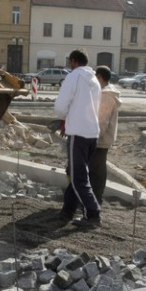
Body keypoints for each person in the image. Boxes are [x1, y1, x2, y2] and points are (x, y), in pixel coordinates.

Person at [53, 50, 102, 227]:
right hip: (92, 134)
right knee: (78, 174)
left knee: (78, 177)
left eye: (69, 61)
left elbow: (60, 106)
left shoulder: (73, 77)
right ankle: (68, 211)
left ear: (73, 61)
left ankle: (93, 213)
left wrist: (63, 118)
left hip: (78, 134)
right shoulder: (94, 80)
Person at [88, 66, 121, 205]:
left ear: (100, 77)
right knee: (98, 169)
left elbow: (102, 121)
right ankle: (95, 199)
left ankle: (95, 200)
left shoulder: (106, 96)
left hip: (100, 140)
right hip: (102, 139)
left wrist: (93, 139)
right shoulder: (106, 93)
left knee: (96, 171)